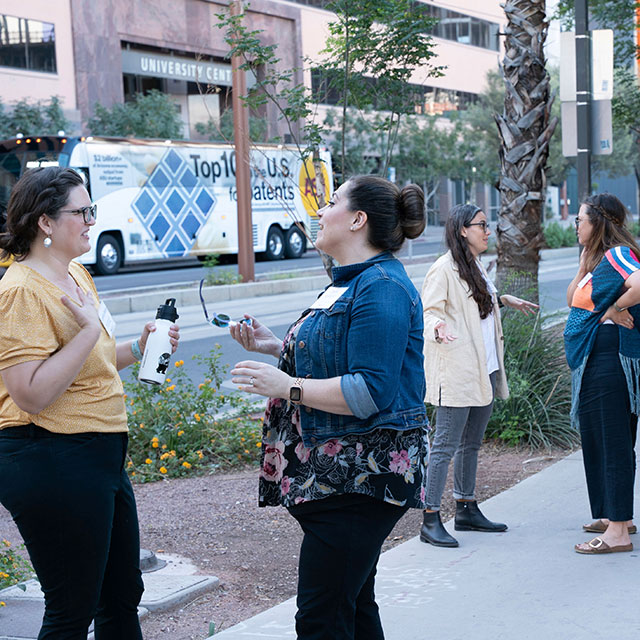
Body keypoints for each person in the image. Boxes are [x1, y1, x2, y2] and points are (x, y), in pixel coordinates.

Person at [229, 175, 429, 640]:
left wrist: (287, 384)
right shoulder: (354, 282)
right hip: (340, 477)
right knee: (352, 606)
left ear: (358, 220)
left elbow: (370, 390)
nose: (322, 210)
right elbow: (344, 359)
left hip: (359, 479)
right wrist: (276, 346)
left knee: (322, 618)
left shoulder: (381, 287)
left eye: (333, 202)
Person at [0, 167, 180, 638]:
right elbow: (31, 393)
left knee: (121, 595)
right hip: (49, 453)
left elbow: (88, 362)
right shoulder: (21, 290)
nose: (91, 221)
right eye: (82, 212)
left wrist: (140, 347)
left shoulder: (76, 274)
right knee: (72, 610)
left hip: (97, 453)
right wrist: (85, 331)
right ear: (44, 222)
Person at [419, 204, 538, 548]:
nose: (488, 231)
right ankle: (429, 519)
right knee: (443, 446)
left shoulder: (475, 266)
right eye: (482, 225)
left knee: (471, 444)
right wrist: (437, 327)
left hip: (483, 368)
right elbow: (429, 312)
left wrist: (503, 300)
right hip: (456, 372)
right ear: (461, 230)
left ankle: (466, 508)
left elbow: (475, 306)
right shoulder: (443, 269)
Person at [565, 193, 640, 555]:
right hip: (599, 360)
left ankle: (617, 532)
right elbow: (572, 300)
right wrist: (583, 266)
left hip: (610, 361)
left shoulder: (617, 255)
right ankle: (615, 517)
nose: (576, 225)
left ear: (600, 222)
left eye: (581, 219)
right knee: (605, 441)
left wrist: (613, 308)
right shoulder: (598, 260)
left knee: (612, 444)